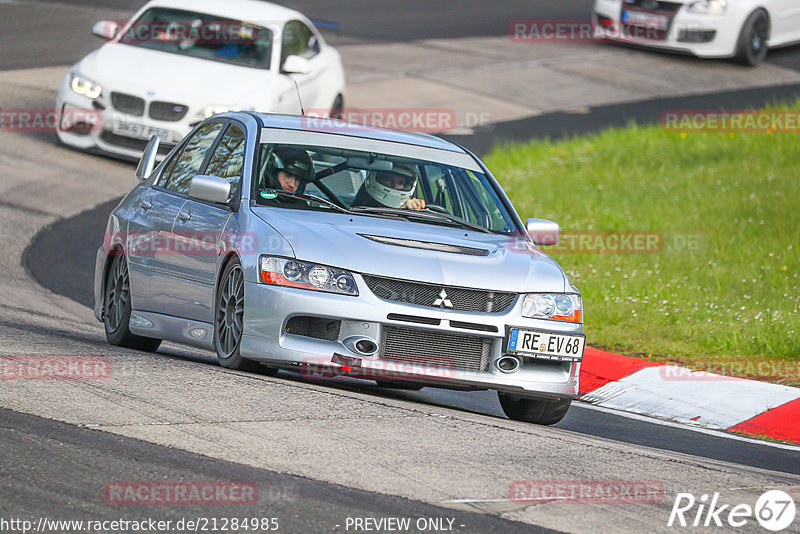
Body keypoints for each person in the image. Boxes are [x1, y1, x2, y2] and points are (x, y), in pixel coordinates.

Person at [353, 164, 426, 210]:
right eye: (389, 180)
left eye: (400, 182)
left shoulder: (408, 212)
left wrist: (414, 209)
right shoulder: (358, 212)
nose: (395, 186)